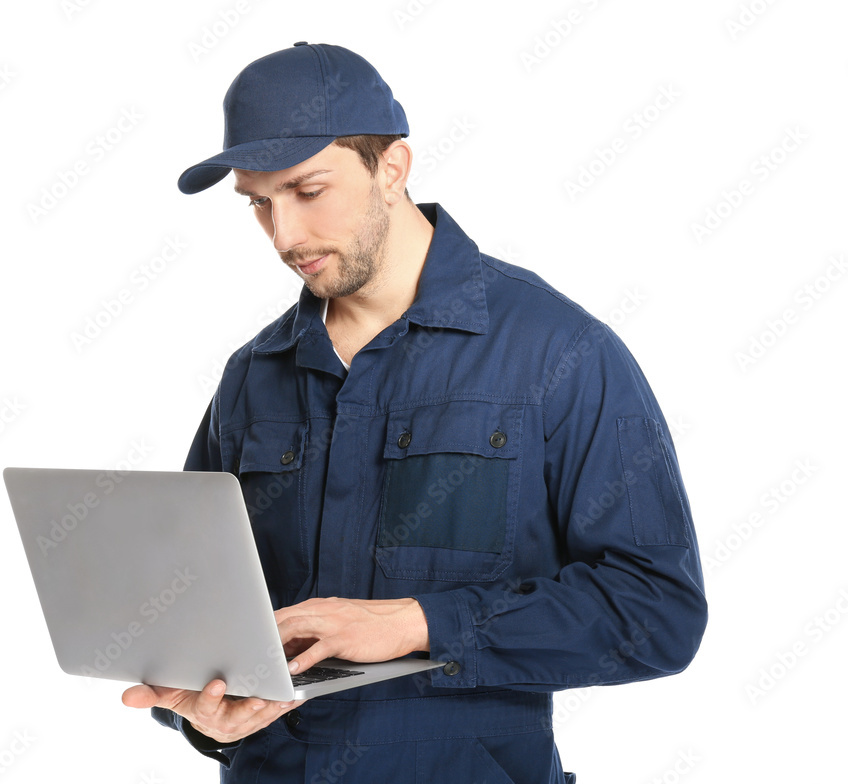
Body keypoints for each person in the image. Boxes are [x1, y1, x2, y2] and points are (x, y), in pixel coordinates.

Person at [121, 42, 708, 783]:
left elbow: (657, 611)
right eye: (259, 203)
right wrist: (204, 717)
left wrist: (417, 622)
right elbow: (196, 616)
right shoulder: (252, 377)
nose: (285, 235)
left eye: (308, 191)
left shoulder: (559, 353)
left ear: (391, 168)